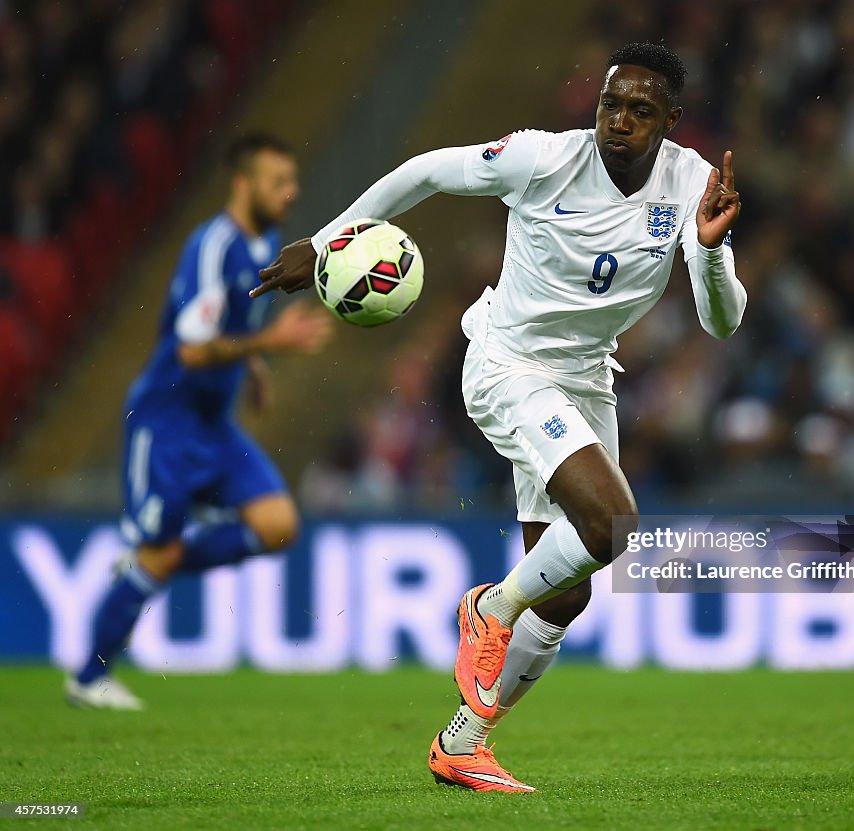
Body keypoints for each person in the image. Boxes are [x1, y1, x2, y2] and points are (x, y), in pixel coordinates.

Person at [253, 42, 744, 791]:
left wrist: (708, 252)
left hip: (585, 380)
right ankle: (491, 605)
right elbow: (423, 173)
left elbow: (721, 322)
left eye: (640, 111)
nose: (619, 121)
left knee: (571, 587)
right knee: (612, 523)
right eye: (611, 103)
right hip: (507, 365)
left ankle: (464, 740)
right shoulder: (540, 159)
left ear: (672, 120)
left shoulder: (693, 184)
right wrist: (326, 239)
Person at [65, 133, 332, 709]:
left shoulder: (259, 241)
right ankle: (88, 678)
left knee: (278, 524)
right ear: (243, 183)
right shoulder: (212, 247)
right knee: (158, 557)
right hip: (166, 424)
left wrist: (255, 363)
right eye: (277, 182)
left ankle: (151, 561)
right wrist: (273, 341)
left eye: (292, 181)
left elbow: (228, 324)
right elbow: (189, 349)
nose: (291, 192)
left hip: (214, 425)